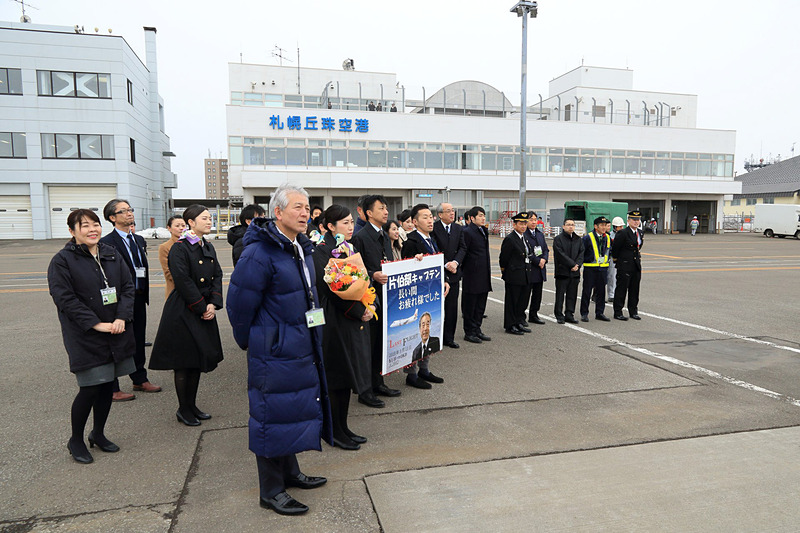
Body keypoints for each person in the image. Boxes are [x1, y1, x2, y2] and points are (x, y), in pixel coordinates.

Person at [226, 184, 332, 516]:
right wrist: (258, 341)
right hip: (274, 349)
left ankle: (290, 472)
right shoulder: (259, 252)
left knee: (291, 410)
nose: (305, 213)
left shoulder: (300, 246)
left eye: (307, 207)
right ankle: (271, 491)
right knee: (270, 416)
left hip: (302, 343)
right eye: (297, 207)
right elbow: (238, 305)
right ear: (278, 212)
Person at [48, 209, 136, 464]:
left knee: (107, 384)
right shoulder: (62, 261)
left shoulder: (111, 253)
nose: (92, 229)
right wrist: (96, 324)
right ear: (72, 231)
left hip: (116, 330)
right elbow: (64, 298)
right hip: (86, 335)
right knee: (89, 388)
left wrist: (121, 317)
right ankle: (75, 439)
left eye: (95, 224)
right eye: (84, 225)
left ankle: (98, 433)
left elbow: (127, 287)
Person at [149, 204, 224, 426]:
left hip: (204, 307)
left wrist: (213, 304)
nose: (209, 222)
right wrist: (202, 307)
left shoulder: (207, 245)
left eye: (210, 218)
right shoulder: (180, 248)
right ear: (191, 222)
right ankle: (183, 409)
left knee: (197, 360)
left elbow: (217, 275)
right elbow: (182, 280)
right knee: (184, 362)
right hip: (184, 309)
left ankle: (192, 406)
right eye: (205, 218)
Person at [312, 205, 374, 451]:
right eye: (345, 223)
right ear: (330, 226)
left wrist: (370, 304)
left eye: (351, 222)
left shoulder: (349, 248)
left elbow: (363, 280)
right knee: (336, 377)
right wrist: (360, 311)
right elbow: (331, 291)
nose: (350, 227)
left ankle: (344, 427)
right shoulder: (321, 251)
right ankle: (334, 431)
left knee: (347, 377)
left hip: (352, 321)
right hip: (334, 321)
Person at [100, 199, 161, 401]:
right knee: (117, 341)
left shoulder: (138, 240)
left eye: (130, 209)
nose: (129, 213)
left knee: (138, 339)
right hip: (118, 301)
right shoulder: (106, 243)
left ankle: (139, 378)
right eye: (123, 211)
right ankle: (112, 387)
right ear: (112, 217)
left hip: (139, 297)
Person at [351, 195, 402, 406]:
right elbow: (355, 271)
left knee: (381, 343)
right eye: (381, 208)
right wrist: (373, 275)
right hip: (369, 300)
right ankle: (365, 391)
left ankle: (378, 383)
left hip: (386, 298)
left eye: (386, 208)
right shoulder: (360, 238)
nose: (386, 212)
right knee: (368, 347)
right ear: (369, 213)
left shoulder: (384, 236)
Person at [400, 204, 447, 389]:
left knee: (429, 330)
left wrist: (445, 280)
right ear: (415, 221)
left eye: (431, 217)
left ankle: (424, 369)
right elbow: (404, 269)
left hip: (431, 295)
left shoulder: (431, 239)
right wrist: (414, 261)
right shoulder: (411, 242)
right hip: (416, 297)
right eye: (425, 217)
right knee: (415, 333)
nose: (430, 220)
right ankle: (411, 374)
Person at [432, 202, 466, 349]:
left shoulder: (458, 228)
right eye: (448, 211)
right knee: (437, 308)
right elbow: (434, 249)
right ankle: (436, 337)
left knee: (452, 308)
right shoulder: (434, 228)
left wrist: (455, 263)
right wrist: (446, 264)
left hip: (454, 273)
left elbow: (463, 248)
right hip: (439, 272)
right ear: (440, 214)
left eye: (453, 211)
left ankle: (449, 338)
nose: (452, 213)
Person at [499, 212, 534, 335]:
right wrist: (505, 271)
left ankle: (519, 322)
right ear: (514, 225)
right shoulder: (510, 239)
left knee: (522, 301)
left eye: (525, 223)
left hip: (525, 275)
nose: (523, 226)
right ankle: (510, 325)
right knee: (512, 301)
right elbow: (504, 258)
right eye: (521, 224)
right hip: (514, 275)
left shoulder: (524, 238)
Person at [461, 207, 492, 344]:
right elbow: (463, 252)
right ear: (472, 218)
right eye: (480, 216)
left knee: (480, 305)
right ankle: (469, 332)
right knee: (470, 305)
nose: (483, 218)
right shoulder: (467, 232)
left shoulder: (483, 230)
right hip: (472, 274)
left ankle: (477, 329)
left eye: (484, 215)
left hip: (484, 273)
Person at [612, 210, 644, 321]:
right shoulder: (623, 233)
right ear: (628, 221)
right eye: (634, 220)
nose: (636, 222)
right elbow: (615, 248)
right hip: (625, 264)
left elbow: (638, 247)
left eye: (638, 220)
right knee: (622, 289)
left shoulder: (640, 232)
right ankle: (618, 311)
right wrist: (618, 260)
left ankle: (633, 311)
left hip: (636, 264)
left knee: (634, 289)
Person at [580, 217, 612, 322]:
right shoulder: (587, 238)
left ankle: (600, 312)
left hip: (603, 269)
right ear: (595, 226)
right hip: (590, 268)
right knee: (587, 291)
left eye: (605, 225)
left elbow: (609, 251)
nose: (604, 227)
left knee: (601, 292)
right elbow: (582, 252)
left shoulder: (608, 237)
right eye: (602, 225)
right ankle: (584, 313)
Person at [552, 219, 584, 324]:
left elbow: (581, 253)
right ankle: (559, 315)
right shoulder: (558, 239)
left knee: (572, 294)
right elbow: (560, 254)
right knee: (560, 295)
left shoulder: (578, 239)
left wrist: (577, 265)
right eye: (568, 225)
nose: (571, 227)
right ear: (563, 226)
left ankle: (569, 314)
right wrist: (572, 264)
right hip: (562, 271)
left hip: (575, 272)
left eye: (572, 225)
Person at [523, 211, 549, 325]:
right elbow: (526, 252)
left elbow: (545, 249)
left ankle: (534, 314)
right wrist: (538, 261)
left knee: (537, 294)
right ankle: (521, 316)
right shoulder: (524, 234)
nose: (534, 222)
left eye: (535, 220)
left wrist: (544, 259)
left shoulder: (539, 234)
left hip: (540, 269)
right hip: (530, 269)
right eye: (531, 220)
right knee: (525, 294)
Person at [158, 216, 186, 299]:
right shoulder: (165, 247)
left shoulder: (192, 244)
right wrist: (188, 284)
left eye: (183, 225)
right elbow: (168, 272)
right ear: (169, 228)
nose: (181, 228)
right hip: (175, 291)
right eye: (177, 226)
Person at [606, 217, 625, 303]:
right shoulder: (610, 235)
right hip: (612, 258)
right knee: (611, 276)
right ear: (615, 227)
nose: (621, 228)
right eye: (619, 226)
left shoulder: (624, 235)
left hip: (622, 258)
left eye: (622, 226)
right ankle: (611, 294)